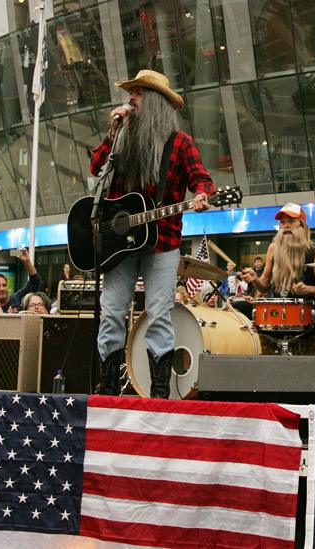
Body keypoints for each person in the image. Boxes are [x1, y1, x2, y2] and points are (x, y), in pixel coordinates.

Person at [89, 69, 214, 398]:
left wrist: (201, 194)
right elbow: (96, 168)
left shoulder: (180, 142)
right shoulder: (122, 136)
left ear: (156, 102)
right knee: (112, 310)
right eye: (132, 92)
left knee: (159, 314)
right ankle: (107, 388)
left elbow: (201, 178)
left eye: (139, 93)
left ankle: (159, 392)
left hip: (162, 242)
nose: (131, 98)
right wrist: (112, 130)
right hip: (119, 244)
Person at [0, 247, 43, 313]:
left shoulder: (16, 299)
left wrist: (27, 262)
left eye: (4, 285)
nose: (2, 289)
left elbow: (35, 282)